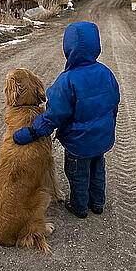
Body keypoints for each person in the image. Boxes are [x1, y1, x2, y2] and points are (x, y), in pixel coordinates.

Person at [13, 21, 120, 218]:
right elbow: (114, 102)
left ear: (68, 48)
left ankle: (79, 207)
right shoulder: (106, 72)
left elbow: (54, 115)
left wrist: (33, 131)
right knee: (97, 170)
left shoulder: (67, 80)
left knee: (78, 174)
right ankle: (97, 203)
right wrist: (109, 123)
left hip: (78, 142)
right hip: (102, 138)